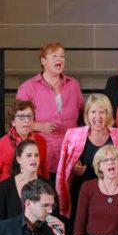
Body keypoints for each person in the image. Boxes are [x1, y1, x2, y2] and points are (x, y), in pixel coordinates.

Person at [55, 93, 118, 219]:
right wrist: (74, 170)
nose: (98, 116)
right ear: (87, 114)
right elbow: (63, 171)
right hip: (80, 196)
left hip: (112, 196)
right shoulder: (72, 135)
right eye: (93, 112)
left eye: (102, 112)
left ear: (108, 114)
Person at [16, 42, 85, 177]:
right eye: (54, 56)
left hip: (71, 156)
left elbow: (84, 118)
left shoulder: (73, 85)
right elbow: (17, 123)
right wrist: (39, 126)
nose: (60, 59)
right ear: (43, 61)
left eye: (62, 56)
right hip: (41, 157)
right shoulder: (28, 88)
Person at [0, 99, 49, 203]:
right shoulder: (1, 145)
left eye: (29, 116)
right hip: (10, 197)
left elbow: (45, 173)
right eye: (21, 117)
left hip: (36, 197)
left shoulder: (41, 142)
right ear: (13, 122)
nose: (26, 120)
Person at [0, 140, 57, 223]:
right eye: (29, 155)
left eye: (36, 155)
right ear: (19, 159)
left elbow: (54, 217)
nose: (34, 159)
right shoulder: (4, 186)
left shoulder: (48, 185)